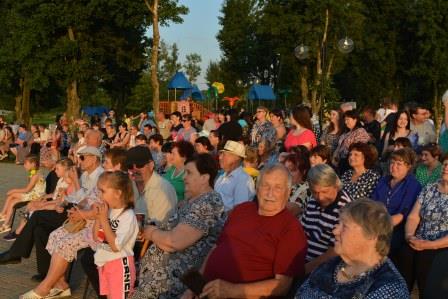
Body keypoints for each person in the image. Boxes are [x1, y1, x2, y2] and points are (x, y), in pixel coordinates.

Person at [182, 164, 308, 299]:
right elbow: (216, 248)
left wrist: (231, 291)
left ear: (288, 192)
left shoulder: (291, 229)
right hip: (206, 291)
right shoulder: (242, 209)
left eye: (278, 188)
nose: (270, 193)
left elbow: (282, 286)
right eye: (266, 185)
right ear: (257, 188)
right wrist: (195, 286)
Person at [133, 154, 226, 298]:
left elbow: (175, 242)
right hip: (157, 277)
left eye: (189, 173)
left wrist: (152, 233)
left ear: (204, 178)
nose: (184, 178)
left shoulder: (209, 201)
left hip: (170, 283)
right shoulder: (193, 200)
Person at [295, 199, 410, 298]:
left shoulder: (387, 288)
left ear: (371, 235)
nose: (335, 231)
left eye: (344, 226)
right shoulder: (329, 266)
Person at [400, 153, 448, 295]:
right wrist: (409, 236)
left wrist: (429, 245)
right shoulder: (430, 188)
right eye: (445, 164)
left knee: (426, 262)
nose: (446, 168)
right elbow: (414, 217)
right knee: (404, 253)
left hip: (441, 246)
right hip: (419, 240)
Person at [371, 148, 422, 267]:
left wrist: (378, 228)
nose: (393, 167)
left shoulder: (413, 185)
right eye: (392, 163)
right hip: (376, 222)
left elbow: (401, 215)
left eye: (399, 164)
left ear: (408, 167)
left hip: (397, 229)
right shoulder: (384, 181)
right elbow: (372, 204)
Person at [92, 171, 139, 299]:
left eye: (103, 191)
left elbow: (116, 246)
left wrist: (103, 220)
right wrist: (98, 218)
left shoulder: (128, 216)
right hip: (105, 263)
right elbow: (97, 237)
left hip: (120, 265)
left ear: (118, 193)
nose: (100, 196)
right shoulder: (109, 211)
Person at [301, 164, 352, 274]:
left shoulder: (345, 209)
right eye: (315, 192)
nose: (320, 197)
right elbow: (301, 233)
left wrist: (302, 270)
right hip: (302, 262)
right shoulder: (312, 201)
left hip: (322, 270)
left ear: (335, 186)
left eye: (325, 192)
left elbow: (334, 253)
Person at [0, 155, 46, 234]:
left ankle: (3, 215)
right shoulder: (34, 173)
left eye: (26, 163)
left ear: (33, 164)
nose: (24, 165)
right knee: (13, 201)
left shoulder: (35, 175)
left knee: (12, 195)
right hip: (34, 193)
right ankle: (6, 223)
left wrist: (13, 190)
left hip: (35, 196)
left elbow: (27, 189)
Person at [214, 140, 255, 211]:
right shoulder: (222, 176)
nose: (220, 157)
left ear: (236, 158)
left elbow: (239, 211)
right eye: (220, 154)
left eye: (224, 154)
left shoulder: (243, 180)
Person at [284, 152, 311, 216]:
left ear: (304, 171)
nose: (288, 173)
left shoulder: (307, 189)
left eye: (292, 170)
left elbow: (291, 210)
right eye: (285, 170)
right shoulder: (283, 185)